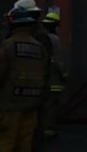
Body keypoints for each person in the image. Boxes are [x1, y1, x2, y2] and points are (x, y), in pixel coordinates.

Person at [0, 0, 49, 152]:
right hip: (32, 105)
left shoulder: (8, 46)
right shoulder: (39, 47)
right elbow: (45, 73)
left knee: (2, 144)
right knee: (24, 145)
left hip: (8, 106)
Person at [36, 11, 66, 144]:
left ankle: (40, 128)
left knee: (43, 104)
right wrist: (64, 74)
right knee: (52, 104)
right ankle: (49, 129)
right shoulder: (55, 39)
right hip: (54, 78)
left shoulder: (39, 38)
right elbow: (58, 60)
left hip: (41, 77)